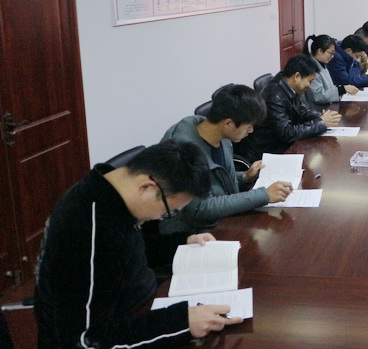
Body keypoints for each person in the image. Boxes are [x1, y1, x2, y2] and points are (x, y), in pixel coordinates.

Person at [35, 140, 242, 348]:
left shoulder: (113, 192)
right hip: (119, 328)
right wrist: (182, 322)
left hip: (141, 304)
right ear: (146, 187)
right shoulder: (87, 231)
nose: (160, 218)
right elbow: (86, 340)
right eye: (168, 212)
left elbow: (126, 252)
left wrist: (180, 244)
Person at [160, 84, 292, 235]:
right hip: (193, 232)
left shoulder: (221, 137)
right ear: (228, 123)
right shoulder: (183, 153)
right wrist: (264, 195)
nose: (251, 131)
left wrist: (244, 176)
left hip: (223, 218)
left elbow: (217, 182)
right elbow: (200, 209)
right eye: (248, 126)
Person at [237, 54, 342, 157]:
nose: (310, 86)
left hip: (282, 145)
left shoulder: (288, 85)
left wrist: (320, 116)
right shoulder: (275, 96)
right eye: (309, 81)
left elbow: (301, 111)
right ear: (297, 76)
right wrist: (321, 123)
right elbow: (287, 133)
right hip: (269, 151)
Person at [302, 34, 359, 113]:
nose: (332, 56)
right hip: (317, 112)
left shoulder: (322, 64)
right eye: (330, 53)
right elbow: (317, 96)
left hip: (327, 108)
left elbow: (328, 88)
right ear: (320, 51)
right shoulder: (311, 69)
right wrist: (342, 89)